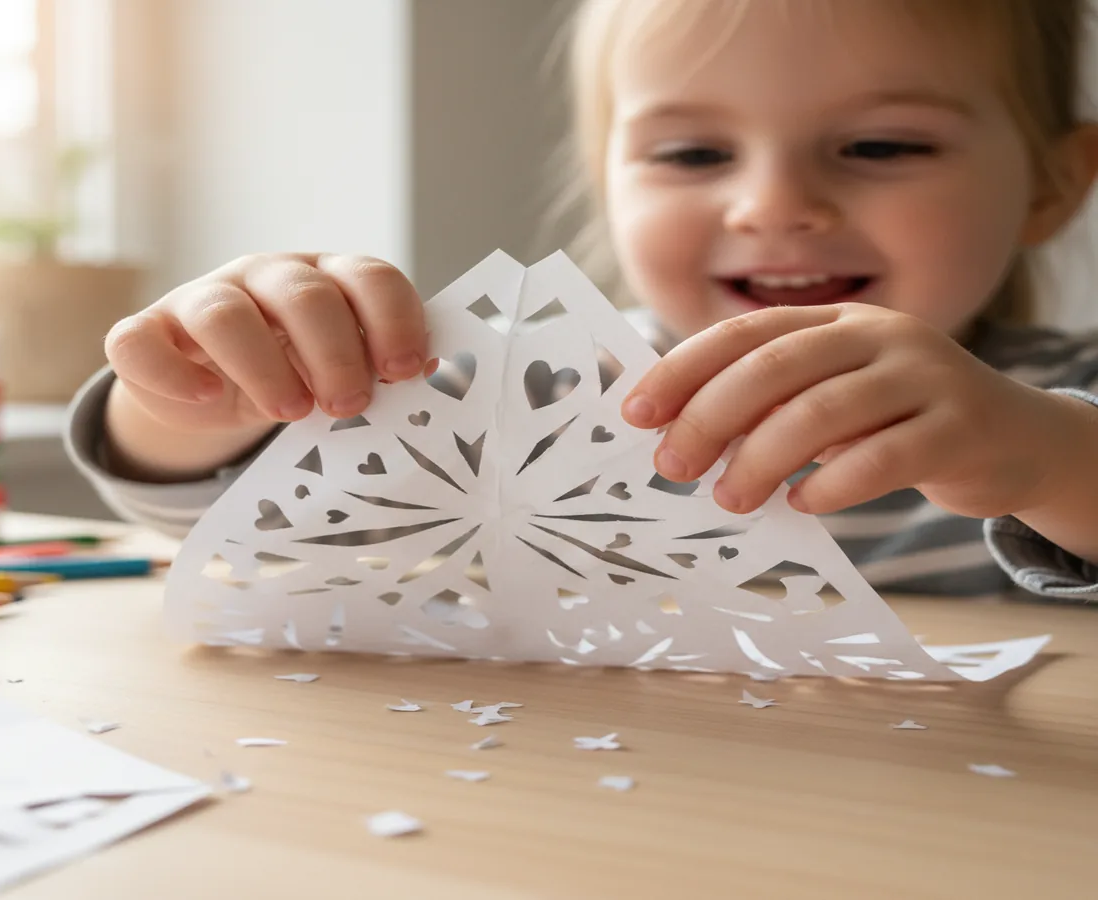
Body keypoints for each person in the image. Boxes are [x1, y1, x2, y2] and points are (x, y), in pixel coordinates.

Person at [67, 0, 1098, 599]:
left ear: (1054, 183)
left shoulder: (1062, 404)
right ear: (611, 184)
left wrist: (1044, 452)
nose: (774, 205)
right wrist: (202, 394)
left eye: (882, 146)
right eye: (692, 152)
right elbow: (242, 525)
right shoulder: (534, 394)